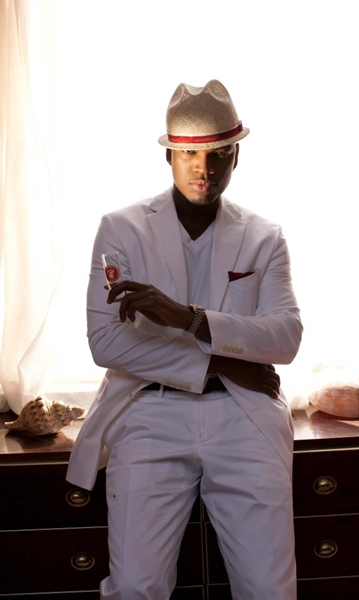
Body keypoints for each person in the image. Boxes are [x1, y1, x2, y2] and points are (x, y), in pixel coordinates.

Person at [67, 79, 303, 600]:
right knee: (136, 588)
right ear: (170, 155)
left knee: (270, 589)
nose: (205, 168)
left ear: (236, 155)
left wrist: (188, 319)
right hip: (149, 412)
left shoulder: (265, 237)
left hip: (243, 414)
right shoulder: (120, 230)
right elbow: (106, 343)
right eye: (191, 154)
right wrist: (222, 362)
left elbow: (285, 337)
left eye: (219, 153)